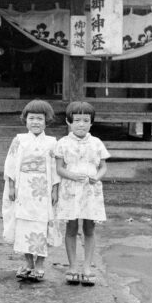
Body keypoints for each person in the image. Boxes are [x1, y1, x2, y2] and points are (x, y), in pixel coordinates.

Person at [2, 100, 61, 282]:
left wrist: (55, 189)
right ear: (25, 120)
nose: (36, 122)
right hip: (23, 187)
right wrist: (11, 187)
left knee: (42, 223)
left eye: (40, 119)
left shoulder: (52, 142)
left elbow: (55, 167)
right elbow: (11, 164)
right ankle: (28, 262)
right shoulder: (19, 140)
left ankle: (41, 263)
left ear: (46, 121)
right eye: (32, 118)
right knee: (23, 223)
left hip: (43, 188)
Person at [55, 101, 109, 287]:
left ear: (91, 123)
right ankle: (72, 266)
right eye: (77, 120)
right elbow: (59, 168)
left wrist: (98, 177)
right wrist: (71, 175)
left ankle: (87, 266)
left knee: (89, 228)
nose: (81, 124)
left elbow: (103, 167)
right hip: (70, 189)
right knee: (71, 227)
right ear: (69, 122)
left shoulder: (96, 143)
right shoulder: (62, 143)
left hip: (90, 191)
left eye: (86, 120)